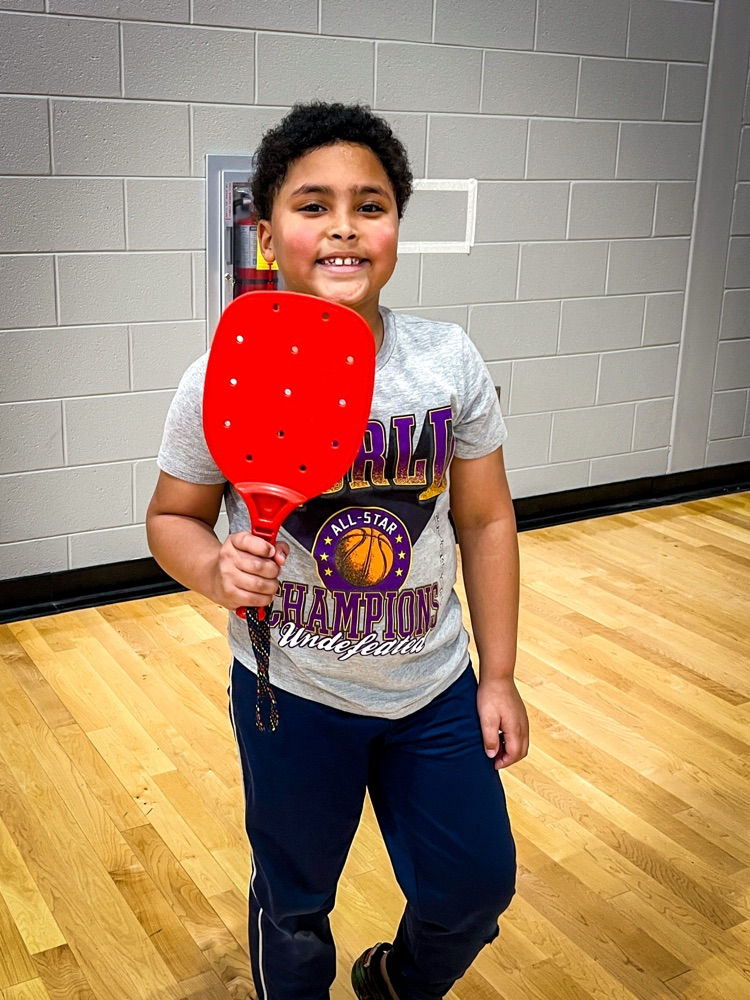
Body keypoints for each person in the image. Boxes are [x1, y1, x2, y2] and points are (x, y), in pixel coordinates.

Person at [147, 102, 529, 1000]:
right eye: (312, 204)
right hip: (293, 694)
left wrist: (499, 672)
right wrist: (212, 568)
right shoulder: (223, 373)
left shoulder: (447, 360)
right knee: (295, 904)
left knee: (476, 888)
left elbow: (485, 521)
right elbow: (172, 517)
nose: (344, 226)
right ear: (268, 228)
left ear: (398, 224)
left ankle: (396, 981)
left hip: (431, 688)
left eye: (372, 202)